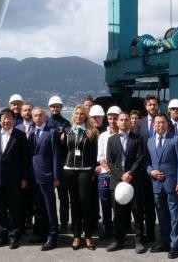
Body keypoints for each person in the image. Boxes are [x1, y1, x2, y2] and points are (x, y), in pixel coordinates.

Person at [146, 113, 178, 259]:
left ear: (167, 124)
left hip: (173, 184)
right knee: (162, 214)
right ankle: (164, 241)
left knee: (175, 215)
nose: (160, 125)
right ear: (153, 125)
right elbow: (147, 162)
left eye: (163, 122)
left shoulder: (176, 139)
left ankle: (174, 244)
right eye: (157, 122)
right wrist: (151, 171)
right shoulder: (150, 141)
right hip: (157, 184)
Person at [106, 111, 147, 254]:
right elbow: (110, 161)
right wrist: (121, 175)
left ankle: (139, 241)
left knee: (137, 211)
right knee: (118, 213)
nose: (123, 122)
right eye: (121, 120)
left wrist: (130, 173)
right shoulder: (111, 140)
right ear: (117, 122)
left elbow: (140, 158)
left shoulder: (138, 139)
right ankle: (118, 240)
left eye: (126, 120)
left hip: (134, 180)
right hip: (117, 181)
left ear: (130, 122)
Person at [0, 108, 30, 249]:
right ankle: (2, 236)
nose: (6, 120)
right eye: (3, 118)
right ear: (0, 120)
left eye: (8, 118)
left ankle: (14, 236)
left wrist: (24, 178)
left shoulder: (20, 136)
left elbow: (25, 159)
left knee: (14, 209)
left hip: (14, 179)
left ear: (13, 120)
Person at [63, 105, 99, 250]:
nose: (79, 116)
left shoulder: (92, 132)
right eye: (77, 113)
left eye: (82, 114)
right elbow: (64, 151)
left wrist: (93, 170)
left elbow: (95, 154)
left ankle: (88, 236)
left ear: (86, 116)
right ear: (74, 115)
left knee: (85, 202)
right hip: (69, 170)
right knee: (74, 203)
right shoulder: (67, 131)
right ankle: (77, 235)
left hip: (85, 170)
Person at [29, 106, 62, 250]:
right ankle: (42, 234)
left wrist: (56, 176)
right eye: (35, 116)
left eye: (40, 115)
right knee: (38, 207)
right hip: (34, 176)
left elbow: (56, 156)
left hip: (47, 175)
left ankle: (53, 236)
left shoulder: (52, 132)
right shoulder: (31, 133)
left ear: (45, 116)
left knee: (50, 207)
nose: (37, 118)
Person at [134, 95, 160, 244]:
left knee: (157, 203)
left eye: (154, 104)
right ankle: (146, 233)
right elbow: (136, 145)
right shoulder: (139, 123)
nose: (152, 107)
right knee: (145, 204)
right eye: (150, 105)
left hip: (159, 168)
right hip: (143, 169)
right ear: (146, 107)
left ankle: (157, 233)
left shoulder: (164, 121)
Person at [46, 95, 71, 233]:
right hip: (48, 165)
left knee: (63, 196)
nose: (55, 108)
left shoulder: (66, 123)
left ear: (61, 107)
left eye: (57, 106)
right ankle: (50, 223)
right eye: (53, 106)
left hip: (62, 164)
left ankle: (64, 223)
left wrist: (64, 138)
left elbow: (68, 141)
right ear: (49, 107)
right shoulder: (46, 122)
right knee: (47, 196)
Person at [96, 105, 120, 239]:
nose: (112, 121)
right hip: (105, 174)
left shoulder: (123, 135)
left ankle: (119, 230)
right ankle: (107, 229)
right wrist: (109, 170)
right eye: (110, 118)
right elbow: (100, 157)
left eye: (115, 118)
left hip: (119, 175)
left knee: (117, 204)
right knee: (105, 203)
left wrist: (116, 172)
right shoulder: (103, 136)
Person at [16, 101, 35, 233]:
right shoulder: (16, 128)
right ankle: (21, 221)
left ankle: (31, 220)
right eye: (25, 110)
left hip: (34, 167)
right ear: (21, 112)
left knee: (33, 196)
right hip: (20, 167)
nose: (27, 112)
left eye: (29, 110)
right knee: (20, 196)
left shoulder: (38, 127)